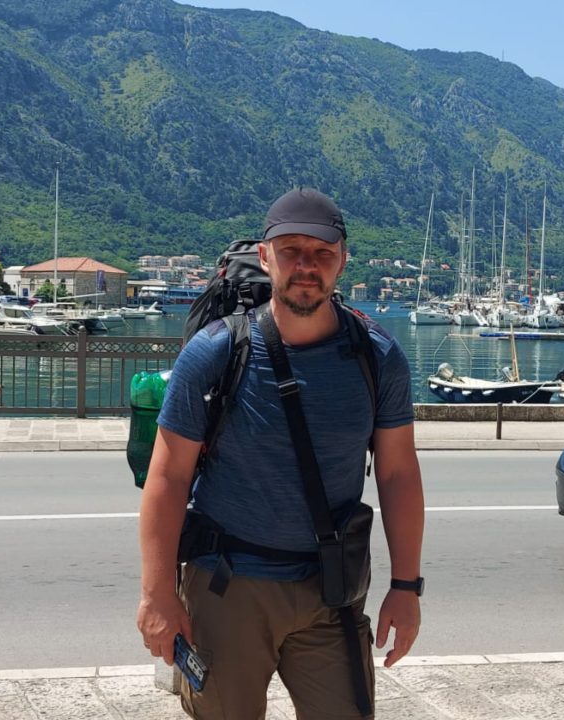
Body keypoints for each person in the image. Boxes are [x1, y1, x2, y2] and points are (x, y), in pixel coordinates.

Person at [138, 187, 425, 719]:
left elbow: (398, 474)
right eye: (291, 251)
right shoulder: (216, 352)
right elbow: (168, 476)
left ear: (343, 260)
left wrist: (406, 588)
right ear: (266, 257)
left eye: (322, 253)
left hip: (332, 592)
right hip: (227, 587)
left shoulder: (377, 357)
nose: (306, 266)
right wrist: (157, 595)